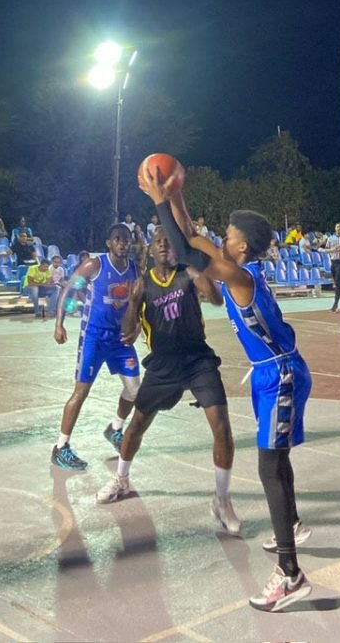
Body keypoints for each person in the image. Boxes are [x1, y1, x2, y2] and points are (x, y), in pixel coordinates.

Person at [139, 165, 313, 612]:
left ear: (241, 246)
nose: (219, 240)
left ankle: (290, 574)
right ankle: (290, 527)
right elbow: (192, 237)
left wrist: (158, 201)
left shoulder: (239, 276)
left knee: (269, 467)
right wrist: (176, 198)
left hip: (280, 373)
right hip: (272, 372)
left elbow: (185, 251)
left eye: (227, 237)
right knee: (276, 461)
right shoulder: (238, 267)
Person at [95, 228, 241, 540]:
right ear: (149, 250)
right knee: (136, 426)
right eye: (157, 241)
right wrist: (133, 314)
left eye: (168, 241)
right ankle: (122, 479)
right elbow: (128, 326)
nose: (163, 244)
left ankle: (222, 499)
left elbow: (215, 299)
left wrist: (200, 270)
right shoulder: (142, 284)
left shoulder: (188, 273)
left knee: (222, 426)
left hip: (197, 360)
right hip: (162, 365)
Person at [51, 224, 140, 471]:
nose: (123, 243)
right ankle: (60, 447)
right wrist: (59, 323)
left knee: (134, 390)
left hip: (120, 340)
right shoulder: (95, 266)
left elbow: (139, 302)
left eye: (127, 239)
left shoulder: (134, 270)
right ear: (109, 243)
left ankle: (115, 428)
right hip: (94, 337)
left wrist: (138, 327)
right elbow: (69, 290)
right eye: (118, 239)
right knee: (81, 392)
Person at [326, 223, 340, 311]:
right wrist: (332, 250)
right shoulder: (331, 238)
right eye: (337, 227)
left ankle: (335, 304)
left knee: (338, 282)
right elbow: (327, 249)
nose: (338, 229)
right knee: (337, 282)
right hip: (333, 261)